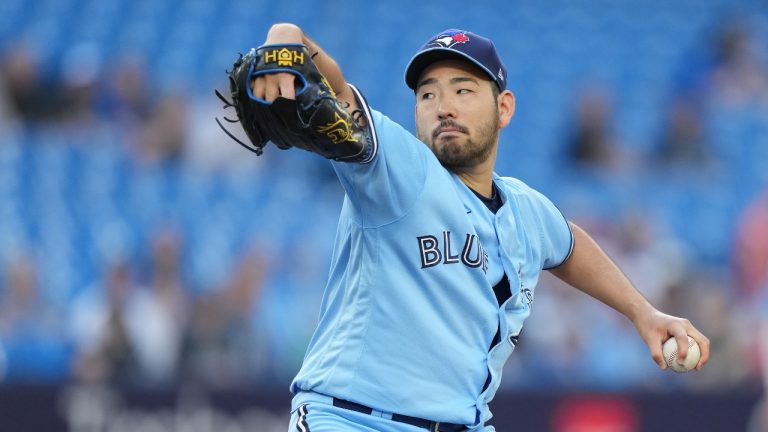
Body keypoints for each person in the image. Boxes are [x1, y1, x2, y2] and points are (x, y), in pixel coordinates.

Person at [245, 23, 710, 432]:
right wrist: (287, 37)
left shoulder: (526, 209)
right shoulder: (395, 170)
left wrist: (642, 312)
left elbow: (567, 246)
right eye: (428, 94)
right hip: (352, 418)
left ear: (504, 108)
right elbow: (339, 90)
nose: (443, 106)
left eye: (463, 90)